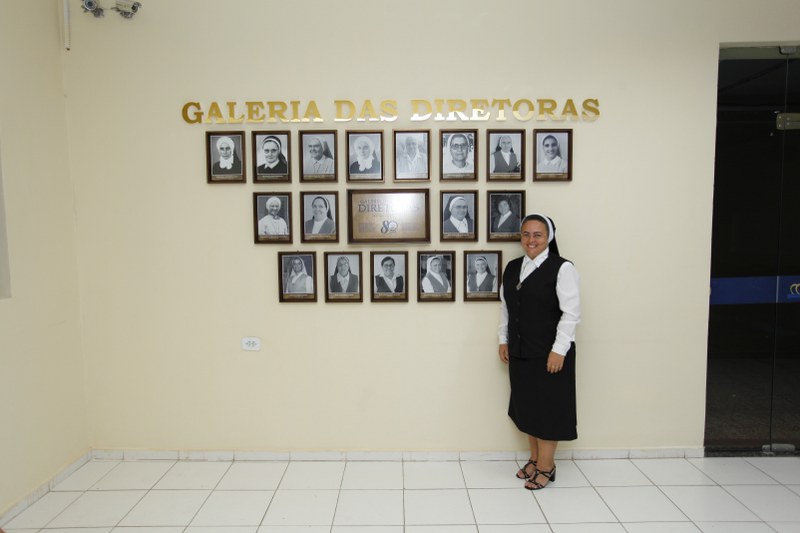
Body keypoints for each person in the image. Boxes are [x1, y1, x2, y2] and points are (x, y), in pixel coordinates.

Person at [498, 213, 581, 490]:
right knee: (528, 407)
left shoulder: (562, 268)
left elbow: (571, 313)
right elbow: (506, 307)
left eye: (537, 235)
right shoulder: (513, 268)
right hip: (520, 350)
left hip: (550, 353)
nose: (531, 240)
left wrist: (559, 350)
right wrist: (503, 339)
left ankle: (547, 466)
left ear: (549, 237)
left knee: (548, 410)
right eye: (526, 234)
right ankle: (534, 459)